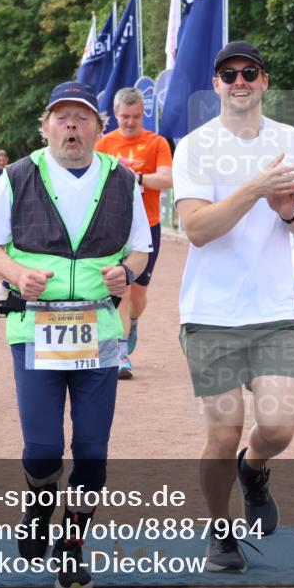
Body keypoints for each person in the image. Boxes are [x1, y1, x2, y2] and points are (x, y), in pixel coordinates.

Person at [0, 81, 151, 588]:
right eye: (62, 117)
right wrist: (14, 273)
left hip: (100, 331)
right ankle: (37, 504)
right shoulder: (16, 176)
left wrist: (126, 273)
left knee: (93, 452)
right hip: (35, 329)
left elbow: (140, 248)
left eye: (81, 118)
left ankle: (72, 548)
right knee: (44, 448)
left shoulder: (123, 180)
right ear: (45, 126)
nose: (71, 126)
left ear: (99, 127)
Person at [173, 41, 294, 572]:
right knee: (223, 429)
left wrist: (285, 211)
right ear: (215, 85)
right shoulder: (194, 146)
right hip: (209, 314)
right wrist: (255, 189)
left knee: (277, 428)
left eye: (248, 72)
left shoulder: (289, 140)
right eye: (228, 73)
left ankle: (253, 469)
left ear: (263, 80)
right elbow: (197, 229)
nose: (239, 81)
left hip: (273, 309)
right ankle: (220, 531)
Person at [95, 87, 174, 380]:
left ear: (143, 115)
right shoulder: (104, 143)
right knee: (122, 288)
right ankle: (120, 353)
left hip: (148, 225)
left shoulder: (156, 143)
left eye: (136, 117)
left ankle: (134, 321)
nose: (130, 122)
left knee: (138, 293)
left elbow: (167, 178)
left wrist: (136, 177)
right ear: (116, 115)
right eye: (125, 117)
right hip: (115, 226)